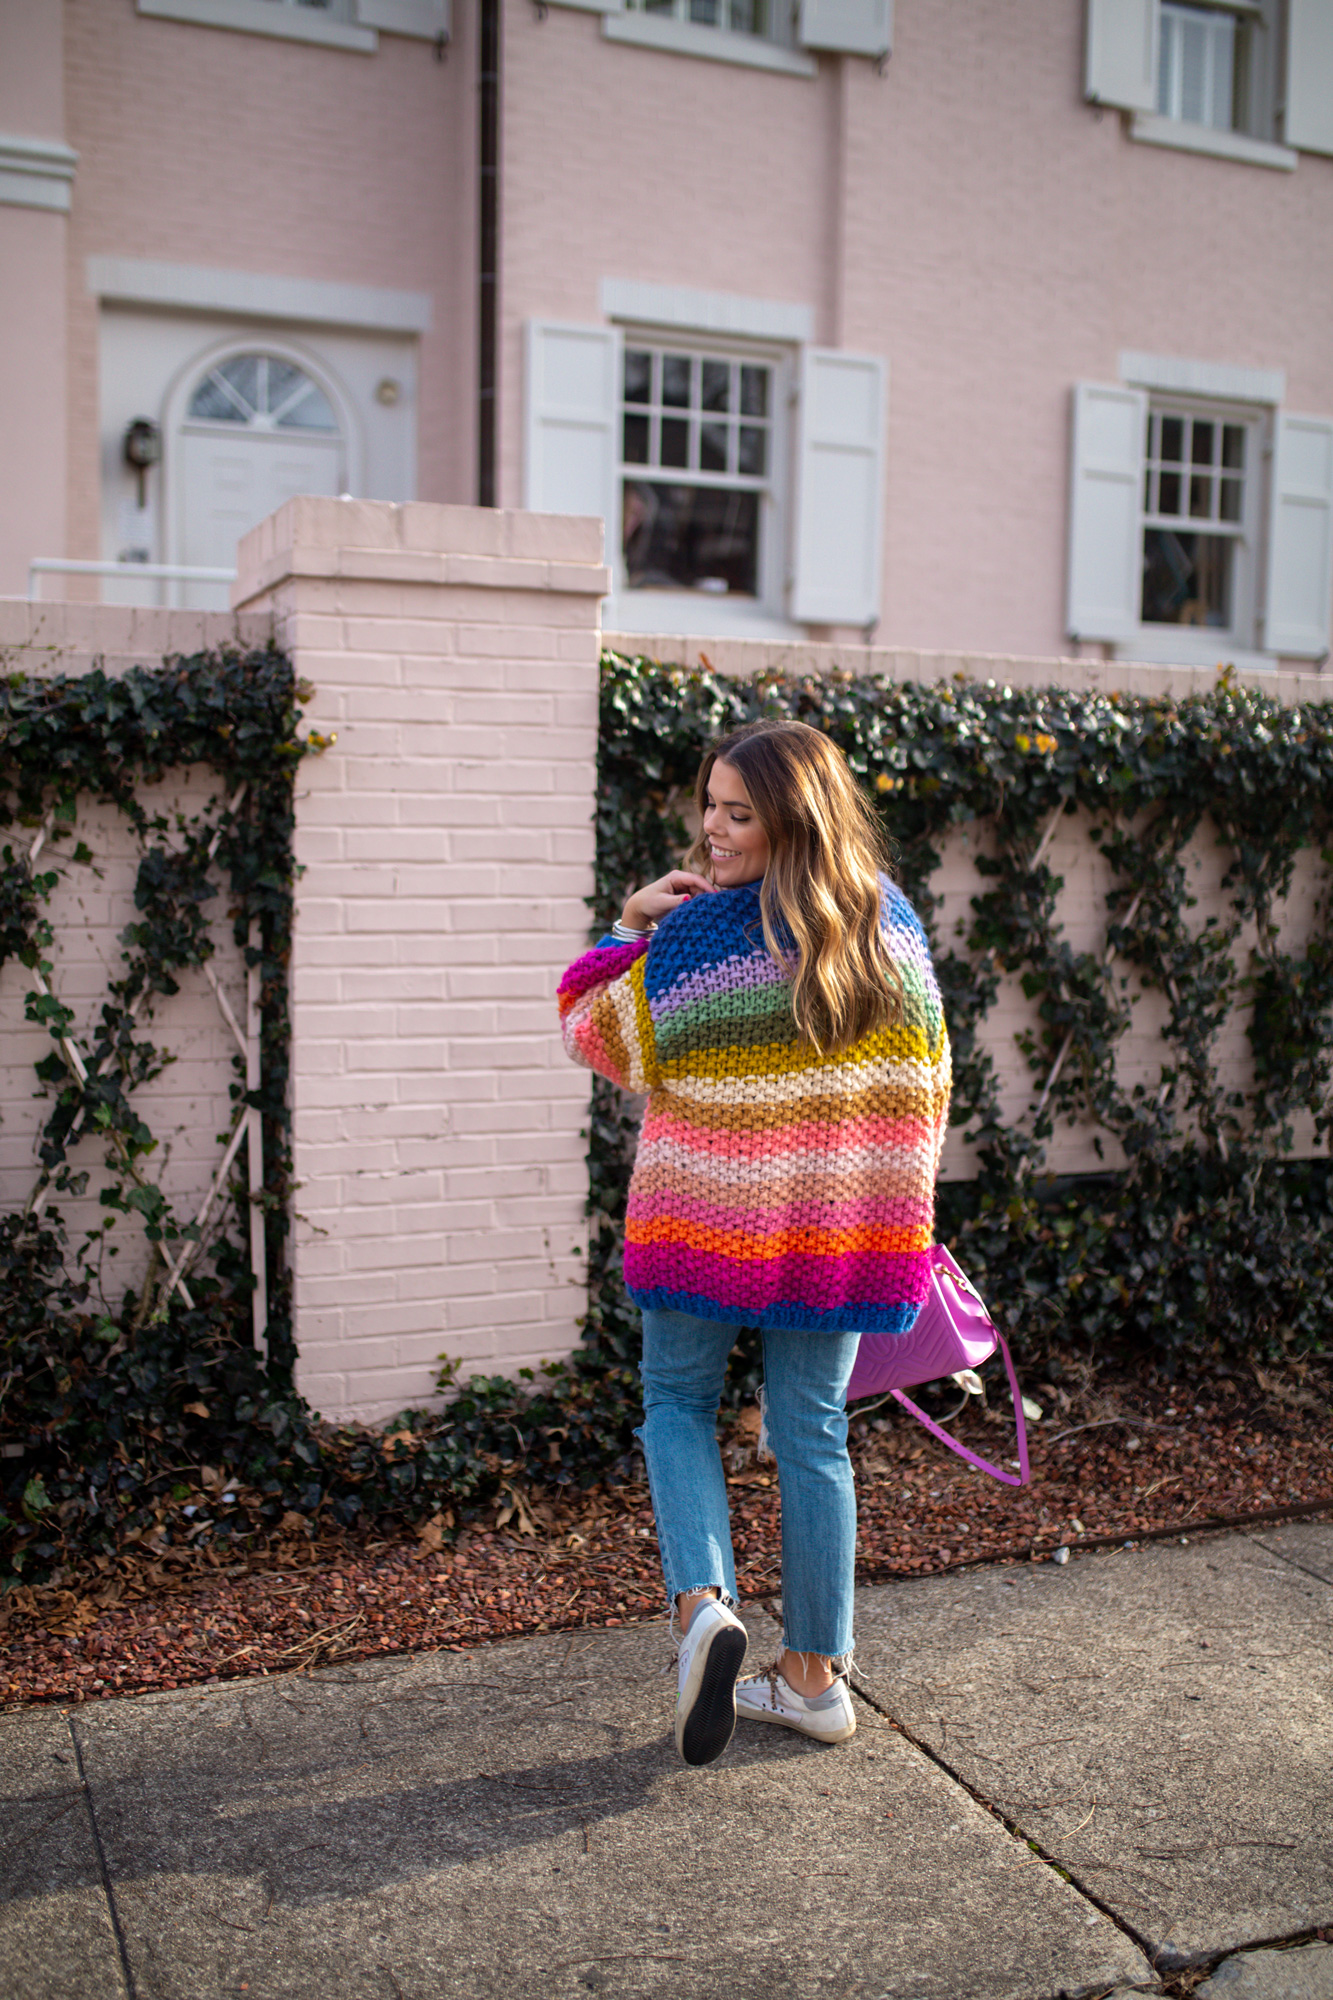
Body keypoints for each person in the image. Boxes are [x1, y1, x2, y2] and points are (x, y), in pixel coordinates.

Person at [557, 719, 951, 1766]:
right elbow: (928, 1090)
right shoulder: (891, 931)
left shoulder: (700, 934)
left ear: (791, 821)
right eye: (710, 805)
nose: (712, 829)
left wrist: (627, 923)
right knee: (811, 1428)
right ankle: (815, 1679)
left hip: (701, 1223)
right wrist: (887, 1219)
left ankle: (703, 1608)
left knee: (677, 1402)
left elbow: (594, 1031)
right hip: (837, 1235)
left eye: (739, 812)